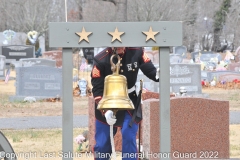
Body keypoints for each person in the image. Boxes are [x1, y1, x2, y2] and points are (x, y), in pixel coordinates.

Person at [91, 47, 159, 160]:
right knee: (102, 144)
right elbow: (97, 91)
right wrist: (105, 111)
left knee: (128, 135)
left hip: (129, 102)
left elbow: (152, 72)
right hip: (106, 102)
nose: (120, 47)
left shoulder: (137, 52)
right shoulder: (100, 59)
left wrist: (159, 74)